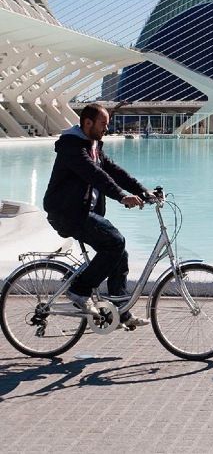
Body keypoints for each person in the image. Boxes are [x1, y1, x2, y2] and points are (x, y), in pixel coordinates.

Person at [43, 103, 153, 329]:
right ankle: (79, 290)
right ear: (88, 123)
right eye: (104, 123)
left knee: (119, 253)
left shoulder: (92, 146)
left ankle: (120, 313)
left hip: (83, 213)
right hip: (67, 213)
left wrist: (143, 191)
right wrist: (121, 196)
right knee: (115, 242)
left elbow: (113, 171)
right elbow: (95, 175)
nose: (107, 128)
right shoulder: (72, 146)